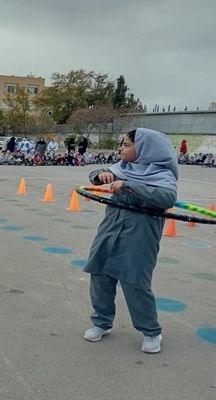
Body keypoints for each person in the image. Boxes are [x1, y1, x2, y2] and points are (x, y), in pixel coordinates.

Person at [82, 128, 178, 354]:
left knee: (135, 282)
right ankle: (101, 322)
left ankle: (151, 331)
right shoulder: (122, 168)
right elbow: (95, 175)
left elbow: (167, 197)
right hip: (111, 229)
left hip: (140, 234)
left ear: (144, 148)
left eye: (126, 145)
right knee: (100, 274)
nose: (120, 149)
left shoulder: (162, 174)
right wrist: (102, 175)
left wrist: (129, 185)